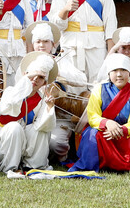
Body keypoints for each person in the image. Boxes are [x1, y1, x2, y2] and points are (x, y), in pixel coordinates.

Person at [69, 53, 130, 172]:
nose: (119, 74)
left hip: (125, 133)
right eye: (115, 70)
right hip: (103, 130)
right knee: (92, 135)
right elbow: (93, 117)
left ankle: (128, 167)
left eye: (123, 70)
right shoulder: (99, 89)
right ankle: (97, 164)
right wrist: (107, 123)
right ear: (109, 73)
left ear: (129, 73)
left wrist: (120, 130)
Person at [24, 22, 88, 164]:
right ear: (33, 44)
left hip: (58, 118)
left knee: (56, 145)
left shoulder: (61, 61)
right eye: (38, 42)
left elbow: (82, 80)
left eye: (46, 41)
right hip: (32, 116)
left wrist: (57, 71)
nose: (41, 45)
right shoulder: (27, 62)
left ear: (53, 44)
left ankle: (58, 159)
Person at [0, 52, 59, 175]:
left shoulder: (43, 99)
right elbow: (6, 112)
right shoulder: (11, 91)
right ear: (24, 75)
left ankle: (33, 165)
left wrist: (49, 107)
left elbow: (47, 126)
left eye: (41, 77)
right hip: (2, 139)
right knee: (14, 127)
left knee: (41, 130)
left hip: (25, 142)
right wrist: (29, 78)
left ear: (44, 83)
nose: (35, 79)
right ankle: (10, 167)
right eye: (32, 75)